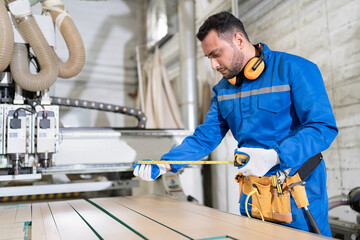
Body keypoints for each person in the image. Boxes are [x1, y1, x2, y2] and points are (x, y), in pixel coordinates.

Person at [133, 11, 338, 237]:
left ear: (239, 40)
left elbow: (322, 127)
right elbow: (205, 138)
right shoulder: (223, 90)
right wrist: (166, 163)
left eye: (216, 54)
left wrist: (276, 156)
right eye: (208, 57)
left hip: (297, 194)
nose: (213, 64)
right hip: (252, 196)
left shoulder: (294, 69)